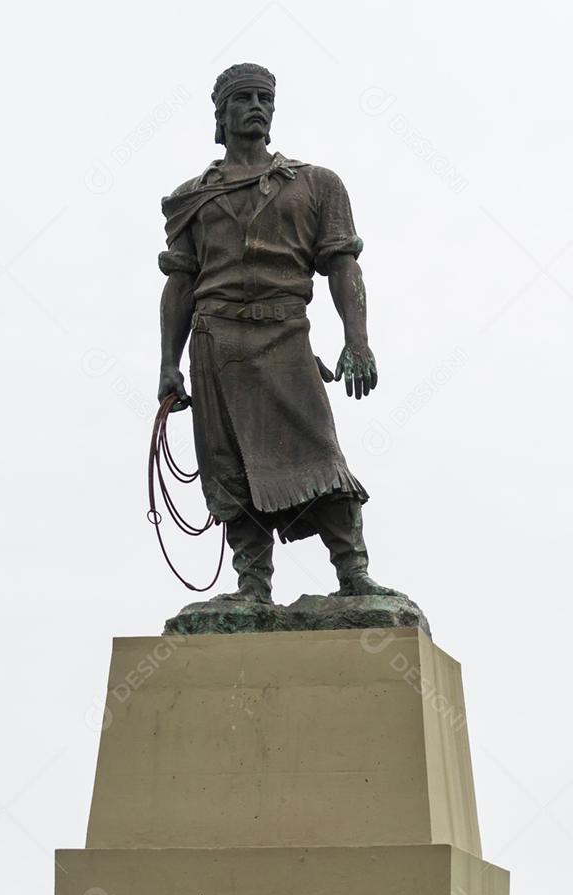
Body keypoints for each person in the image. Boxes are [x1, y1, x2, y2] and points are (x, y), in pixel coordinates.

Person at [158, 62, 393, 604]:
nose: (256, 106)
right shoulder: (193, 198)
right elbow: (180, 282)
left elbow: (342, 265)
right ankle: (253, 588)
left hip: (285, 337)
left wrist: (356, 340)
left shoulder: (315, 183)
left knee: (320, 457)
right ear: (221, 114)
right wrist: (168, 364)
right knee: (229, 468)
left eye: (265, 97)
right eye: (244, 99)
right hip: (214, 342)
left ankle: (352, 575)